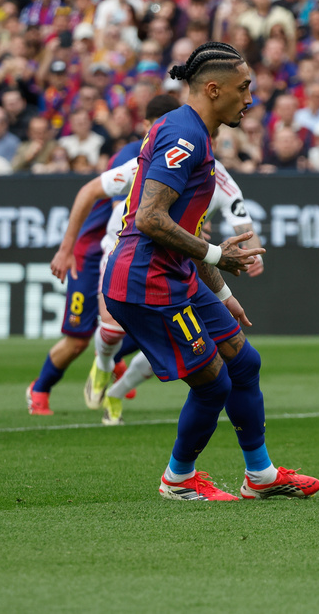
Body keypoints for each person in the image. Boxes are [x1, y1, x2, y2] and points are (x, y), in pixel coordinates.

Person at [102, 42, 319, 501]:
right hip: (148, 283)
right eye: (244, 89)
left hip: (177, 273)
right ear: (214, 89)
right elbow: (150, 219)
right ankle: (177, 480)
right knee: (213, 383)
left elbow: (184, 227)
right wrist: (220, 257)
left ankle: (259, 477)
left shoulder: (192, 131)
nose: (250, 99)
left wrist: (221, 293)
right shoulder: (185, 137)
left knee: (245, 362)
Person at [50, 132, 264, 426]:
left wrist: (253, 253)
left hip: (177, 264)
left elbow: (242, 222)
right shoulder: (152, 162)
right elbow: (91, 191)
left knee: (172, 345)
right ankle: (102, 364)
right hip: (121, 253)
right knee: (113, 332)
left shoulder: (221, 178)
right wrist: (66, 248)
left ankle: (116, 392)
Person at [25, 96, 181, 416]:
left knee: (146, 317)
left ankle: (110, 362)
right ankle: (39, 389)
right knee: (78, 337)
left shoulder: (174, 156)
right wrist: (67, 249)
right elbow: (122, 210)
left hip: (129, 247)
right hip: (95, 249)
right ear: (147, 126)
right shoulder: (132, 155)